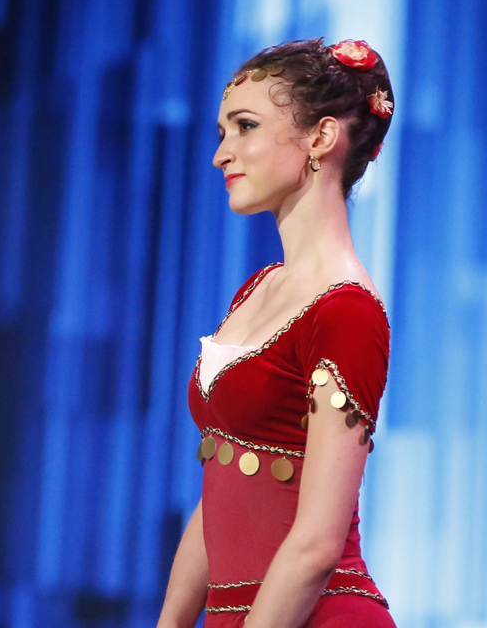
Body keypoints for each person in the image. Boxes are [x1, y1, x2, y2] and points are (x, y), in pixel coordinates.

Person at [158, 39, 397, 628]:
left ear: (321, 138)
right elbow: (220, 490)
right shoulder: (258, 288)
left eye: (245, 127)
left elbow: (316, 546)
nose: (221, 154)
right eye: (222, 133)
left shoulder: (346, 312)